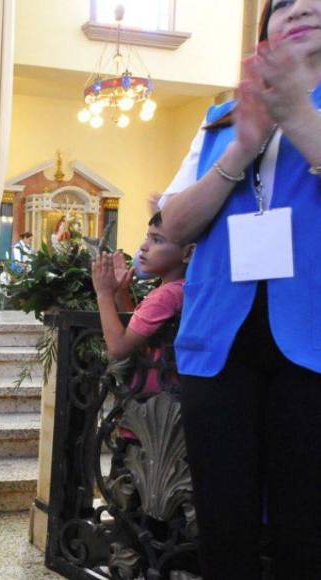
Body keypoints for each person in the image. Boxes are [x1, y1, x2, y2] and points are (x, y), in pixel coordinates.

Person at [158, 1, 321, 577]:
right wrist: (242, 146)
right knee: (223, 524)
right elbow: (172, 229)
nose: (298, 7)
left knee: (308, 527)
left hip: (313, 344)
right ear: (265, 32)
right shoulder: (220, 120)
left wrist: (298, 115)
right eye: (282, 4)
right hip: (220, 341)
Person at [92, 213, 193, 388]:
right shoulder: (178, 287)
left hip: (154, 398)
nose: (144, 247)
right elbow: (138, 329)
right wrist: (121, 291)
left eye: (157, 240)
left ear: (188, 253)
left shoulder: (166, 295)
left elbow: (119, 347)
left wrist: (104, 294)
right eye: (148, 238)